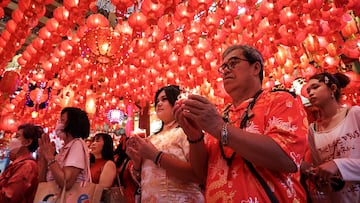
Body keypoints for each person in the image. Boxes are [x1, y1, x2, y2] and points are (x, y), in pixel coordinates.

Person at [174, 44, 308, 202]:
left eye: (233, 63)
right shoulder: (221, 115)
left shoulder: (281, 100)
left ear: (256, 68)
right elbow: (203, 175)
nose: (226, 70)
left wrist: (219, 128)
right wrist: (194, 136)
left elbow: (286, 158)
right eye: (223, 67)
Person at [126, 85, 205, 202]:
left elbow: (199, 174)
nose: (158, 104)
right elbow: (143, 181)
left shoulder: (187, 131)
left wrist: (156, 156)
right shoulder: (151, 138)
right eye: (157, 101)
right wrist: (137, 163)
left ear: (177, 101)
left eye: (164, 99)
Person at [300, 72, 360, 202]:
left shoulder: (354, 114)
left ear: (332, 88)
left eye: (315, 87)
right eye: (308, 90)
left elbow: (332, 166)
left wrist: (337, 165)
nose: (310, 93)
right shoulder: (313, 130)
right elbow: (321, 168)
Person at [38, 107, 91, 191]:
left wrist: (49, 156)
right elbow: (42, 184)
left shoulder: (77, 145)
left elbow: (66, 182)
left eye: (62, 120)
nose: (58, 123)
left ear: (72, 124)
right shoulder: (64, 149)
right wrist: (44, 158)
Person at [0, 123, 42, 203]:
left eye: (17, 136)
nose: (12, 139)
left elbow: (10, 196)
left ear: (28, 142)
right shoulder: (17, 164)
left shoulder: (27, 166)